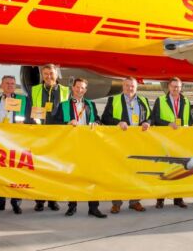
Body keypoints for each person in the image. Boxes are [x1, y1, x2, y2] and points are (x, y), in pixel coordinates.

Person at [102, 76, 151, 214]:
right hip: (120, 143)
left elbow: (150, 117)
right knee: (118, 173)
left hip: (138, 142)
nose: (130, 88)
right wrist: (118, 122)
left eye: (132, 86)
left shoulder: (143, 100)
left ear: (136, 87)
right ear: (123, 86)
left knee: (136, 172)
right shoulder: (114, 100)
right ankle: (116, 203)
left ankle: (135, 201)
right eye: (127, 85)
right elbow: (105, 118)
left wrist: (147, 122)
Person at [31, 64, 70, 213]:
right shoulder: (35, 90)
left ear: (57, 74)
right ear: (42, 75)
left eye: (51, 73)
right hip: (40, 135)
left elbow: (68, 113)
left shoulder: (65, 91)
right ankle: (39, 201)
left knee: (55, 170)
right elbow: (30, 110)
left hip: (58, 136)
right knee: (39, 170)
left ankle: (53, 200)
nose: (49, 76)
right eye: (46, 73)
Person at [0, 75, 29, 215]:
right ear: (1, 85)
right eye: (7, 83)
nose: (10, 85)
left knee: (16, 173)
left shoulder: (23, 100)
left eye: (12, 83)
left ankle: (16, 203)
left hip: (16, 141)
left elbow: (30, 119)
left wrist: (24, 123)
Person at [67, 77, 107, 218]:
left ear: (86, 90)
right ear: (73, 88)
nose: (80, 90)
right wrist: (67, 123)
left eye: (82, 88)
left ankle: (93, 208)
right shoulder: (64, 105)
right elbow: (55, 122)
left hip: (89, 145)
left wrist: (97, 123)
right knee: (73, 177)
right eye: (77, 87)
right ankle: (72, 206)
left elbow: (98, 119)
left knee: (92, 177)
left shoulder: (90, 104)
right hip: (72, 144)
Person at [151, 77, 191, 209]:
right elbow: (154, 118)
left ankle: (178, 199)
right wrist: (168, 123)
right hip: (165, 140)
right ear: (168, 87)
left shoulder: (186, 101)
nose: (176, 89)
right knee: (163, 170)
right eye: (173, 86)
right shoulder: (161, 100)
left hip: (180, 141)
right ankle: (160, 199)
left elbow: (189, 120)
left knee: (180, 169)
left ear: (181, 87)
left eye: (178, 86)